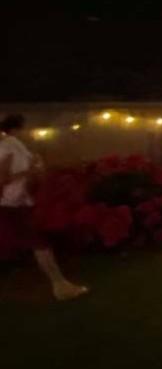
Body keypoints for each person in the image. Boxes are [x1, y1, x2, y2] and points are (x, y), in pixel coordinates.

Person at [0, 114, 88, 301]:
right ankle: (60, 286)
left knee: (38, 243)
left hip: (21, 201)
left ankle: (61, 285)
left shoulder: (16, 145)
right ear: (17, 128)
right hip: (12, 203)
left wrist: (36, 168)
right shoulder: (8, 145)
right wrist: (30, 171)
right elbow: (3, 178)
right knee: (40, 244)